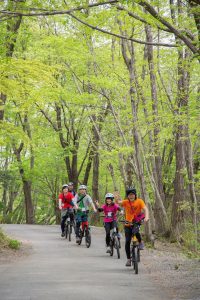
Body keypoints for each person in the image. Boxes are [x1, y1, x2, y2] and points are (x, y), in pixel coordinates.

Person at [116, 187, 149, 267]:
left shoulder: (139, 201)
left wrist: (147, 217)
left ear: (135, 195)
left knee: (136, 232)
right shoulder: (126, 202)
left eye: (132, 194)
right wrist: (116, 198)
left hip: (136, 222)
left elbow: (145, 209)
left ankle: (140, 242)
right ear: (128, 196)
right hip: (127, 223)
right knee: (127, 241)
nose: (131, 196)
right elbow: (119, 203)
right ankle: (128, 259)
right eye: (129, 195)